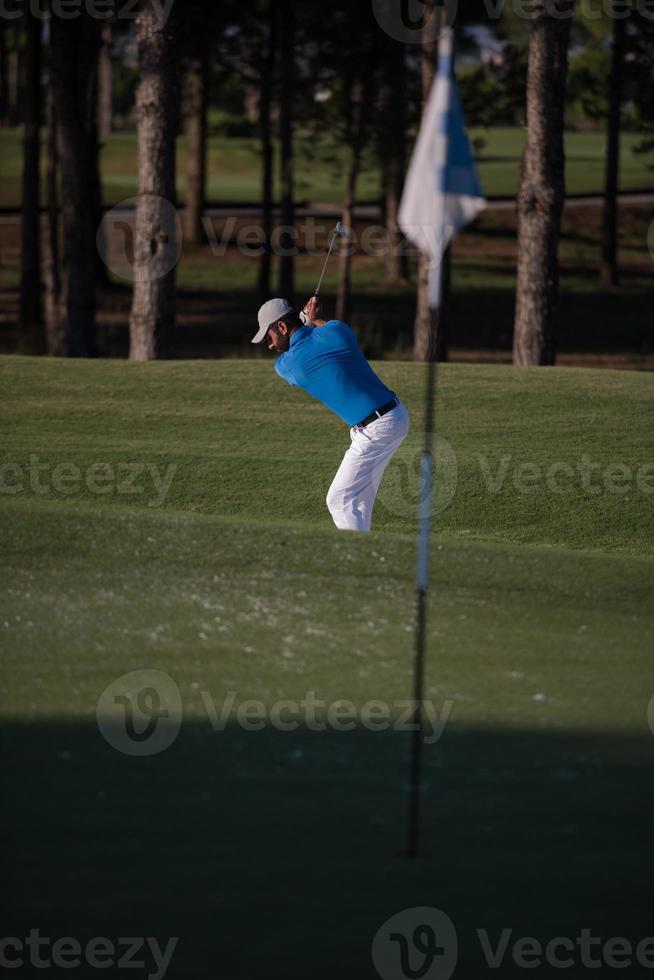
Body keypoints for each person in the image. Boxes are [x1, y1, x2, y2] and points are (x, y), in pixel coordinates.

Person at [251, 296, 409, 532]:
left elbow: (299, 349)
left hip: (378, 427)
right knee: (359, 500)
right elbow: (324, 330)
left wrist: (306, 321)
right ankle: (365, 555)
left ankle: (354, 558)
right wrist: (313, 320)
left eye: (269, 336)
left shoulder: (288, 365)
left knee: (338, 499)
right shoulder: (337, 330)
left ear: (282, 327)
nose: (270, 345)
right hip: (393, 416)